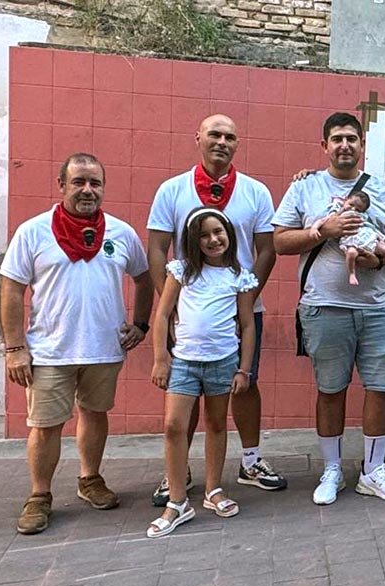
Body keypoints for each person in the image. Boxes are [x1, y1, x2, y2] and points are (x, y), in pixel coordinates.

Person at [0, 153, 152, 534]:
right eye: (79, 181)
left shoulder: (120, 232)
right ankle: (39, 497)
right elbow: (11, 289)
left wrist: (141, 324)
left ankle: (90, 480)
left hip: (104, 348)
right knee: (46, 425)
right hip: (50, 350)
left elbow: (144, 278)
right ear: (61, 184)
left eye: (95, 183)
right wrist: (15, 347)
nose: (88, 190)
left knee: (95, 414)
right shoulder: (33, 231)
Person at [273, 112, 385, 504]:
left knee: (384, 389)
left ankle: (372, 471)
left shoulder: (384, 189)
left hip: (378, 307)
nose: (345, 145)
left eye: (352, 138)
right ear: (324, 145)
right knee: (331, 390)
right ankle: (332, 470)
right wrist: (323, 231)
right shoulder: (306, 188)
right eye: (337, 139)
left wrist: (383, 260)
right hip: (324, 306)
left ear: (361, 145)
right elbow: (281, 241)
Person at [146, 114, 284, 508]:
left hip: (239, 308)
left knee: (245, 383)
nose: (221, 142)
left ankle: (251, 462)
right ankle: (180, 472)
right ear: (198, 139)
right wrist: (171, 305)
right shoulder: (172, 190)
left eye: (229, 136)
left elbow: (266, 249)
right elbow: (156, 248)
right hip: (187, 314)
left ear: (237, 144)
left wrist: (242, 292)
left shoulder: (255, 191)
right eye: (214, 135)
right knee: (184, 390)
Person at [147, 208, 257, 538]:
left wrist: (244, 369)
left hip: (223, 362)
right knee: (173, 426)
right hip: (184, 362)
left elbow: (248, 325)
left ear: (229, 234)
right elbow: (163, 316)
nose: (213, 239)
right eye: (204, 235)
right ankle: (178, 501)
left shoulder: (239, 275)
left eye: (218, 232)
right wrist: (160, 359)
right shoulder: (182, 272)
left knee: (216, 423)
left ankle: (213, 489)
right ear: (193, 242)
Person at [309, 188, 385, 285]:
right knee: (351, 253)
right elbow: (322, 221)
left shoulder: (363, 216)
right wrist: (314, 228)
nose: (353, 209)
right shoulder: (337, 214)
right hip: (351, 239)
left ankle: (370, 254)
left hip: (367, 238)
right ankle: (352, 274)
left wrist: (379, 241)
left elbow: (370, 226)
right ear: (345, 200)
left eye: (358, 209)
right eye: (351, 205)